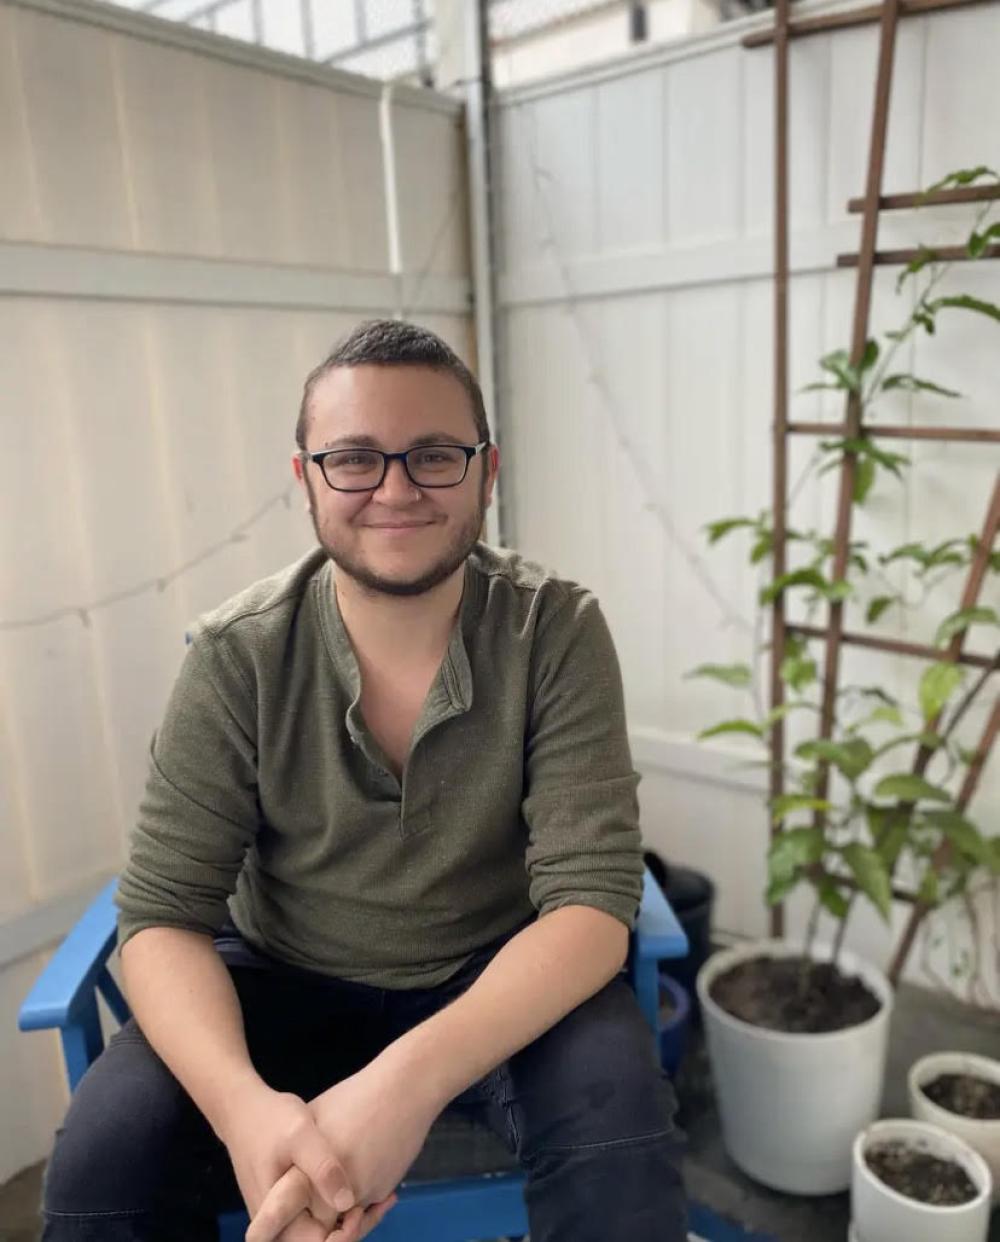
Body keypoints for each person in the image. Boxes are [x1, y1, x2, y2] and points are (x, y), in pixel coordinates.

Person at [41, 319, 686, 1242]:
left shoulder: (555, 631)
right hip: (278, 977)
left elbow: (589, 906)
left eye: (434, 455)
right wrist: (247, 1116)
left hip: (491, 976)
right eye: (354, 458)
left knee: (621, 1143)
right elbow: (160, 916)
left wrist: (405, 1088)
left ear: (488, 473)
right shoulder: (240, 656)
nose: (395, 489)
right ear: (305, 478)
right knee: (105, 1167)